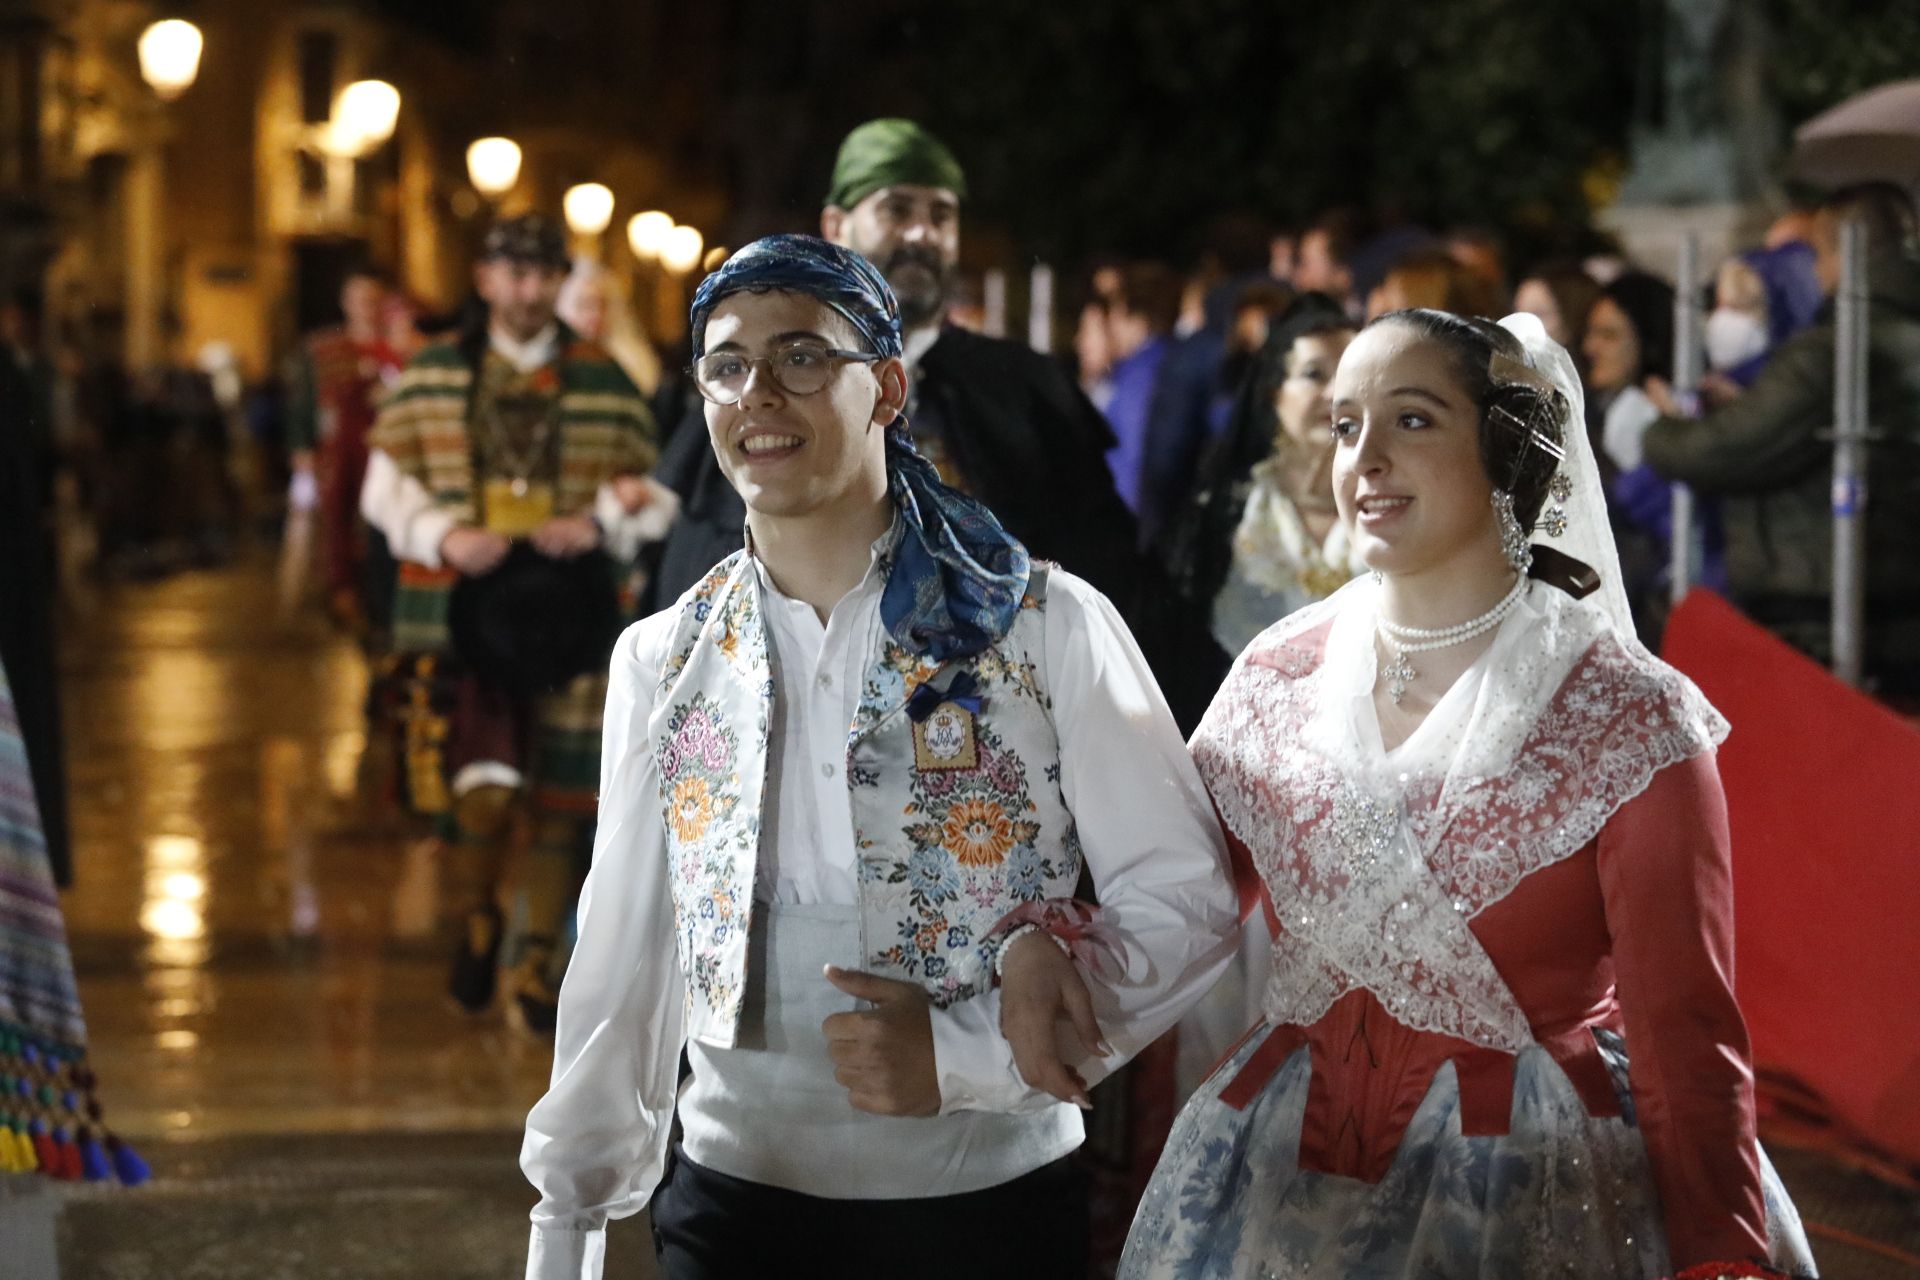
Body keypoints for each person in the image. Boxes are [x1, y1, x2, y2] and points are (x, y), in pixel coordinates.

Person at [519, 236, 1238, 1280]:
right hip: (734, 1202)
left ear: (887, 387)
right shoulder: (663, 657)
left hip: (983, 1202)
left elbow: (1186, 894)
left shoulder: (1045, 623)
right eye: (727, 365)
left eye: (804, 356)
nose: (759, 391)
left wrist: (971, 1055)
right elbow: (626, 951)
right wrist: (568, 1220)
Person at [1102, 308, 1817, 1278]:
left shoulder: (1625, 712)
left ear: (1508, 448)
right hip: (1271, 1173)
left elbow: (1685, 1028)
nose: (1365, 457)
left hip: (1535, 1182)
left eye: (1414, 419)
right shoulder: (1276, 673)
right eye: (1348, 423)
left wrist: (1721, 1254)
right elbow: (1171, 907)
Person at [646, 118, 1142, 620]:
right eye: (897, 209)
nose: (922, 233)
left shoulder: (1023, 388)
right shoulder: (746, 397)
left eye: (942, 215)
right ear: (837, 227)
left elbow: (1112, 583)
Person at [359, 214, 660, 1031]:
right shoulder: (430, 375)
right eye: (511, 273)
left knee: (568, 792)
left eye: (541, 275)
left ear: (558, 280)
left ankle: (540, 962)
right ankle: (477, 919)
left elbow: (650, 489)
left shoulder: (602, 379)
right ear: (485, 278)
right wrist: (444, 535)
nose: (527, 292)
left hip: (571, 613)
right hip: (462, 609)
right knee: (478, 788)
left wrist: (598, 518)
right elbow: (384, 489)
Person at [1643, 182, 1920, 699]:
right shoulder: (1894, 339)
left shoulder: (1832, 354)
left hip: (1825, 611)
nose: (1815, 271)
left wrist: (1664, 426)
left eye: (1817, 254)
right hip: (1891, 606)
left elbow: (1725, 451)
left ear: (1843, 252)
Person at [1156, 294, 1361, 732]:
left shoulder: (1386, 508)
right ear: (1274, 393)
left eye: (1351, 376)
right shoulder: (1227, 514)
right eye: (1313, 375)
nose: (1335, 394)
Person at [287, 267, 402, 629]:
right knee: (335, 520)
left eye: (373, 300)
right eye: (360, 299)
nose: (367, 307)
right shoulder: (323, 349)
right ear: (346, 303)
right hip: (338, 452)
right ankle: (340, 592)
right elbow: (303, 399)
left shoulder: (398, 348)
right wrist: (302, 446)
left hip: (386, 453)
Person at [1101, 262, 1182, 514]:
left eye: (1114, 315)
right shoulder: (1178, 363)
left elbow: (1131, 463)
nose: (1110, 327)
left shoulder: (1136, 378)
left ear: (1135, 318)